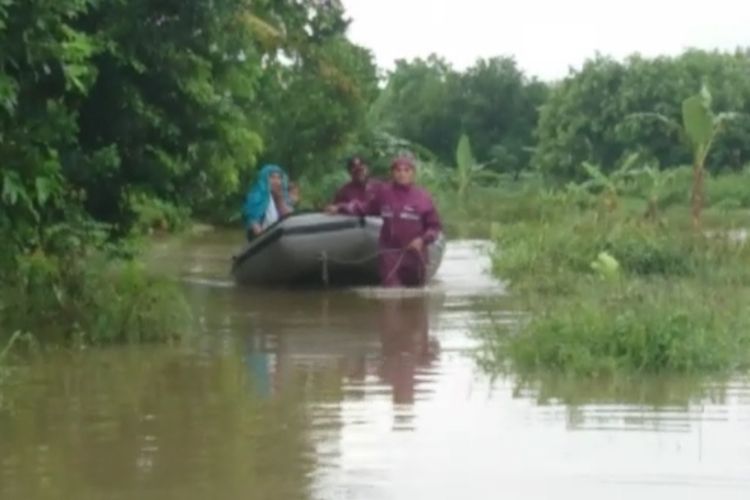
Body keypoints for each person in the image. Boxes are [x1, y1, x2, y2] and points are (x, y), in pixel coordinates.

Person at [327, 156, 442, 287]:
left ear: (412, 173)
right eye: (398, 170)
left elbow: (434, 227)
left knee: (416, 301)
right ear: (392, 173)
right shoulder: (384, 193)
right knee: (390, 296)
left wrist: (422, 240)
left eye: (406, 170)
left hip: (415, 254)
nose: (402, 174)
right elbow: (365, 208)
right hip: (390, 254)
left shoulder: (423, 197)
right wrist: (341, 207)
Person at [242, 164, 293, 240]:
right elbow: (253, 222)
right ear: (265, 179)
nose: (276, 181)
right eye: (272, 177)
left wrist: (279, 199)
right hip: (260, 239)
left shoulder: (280, 197)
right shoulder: (255, 197)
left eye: (279, 178)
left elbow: (289, 218)